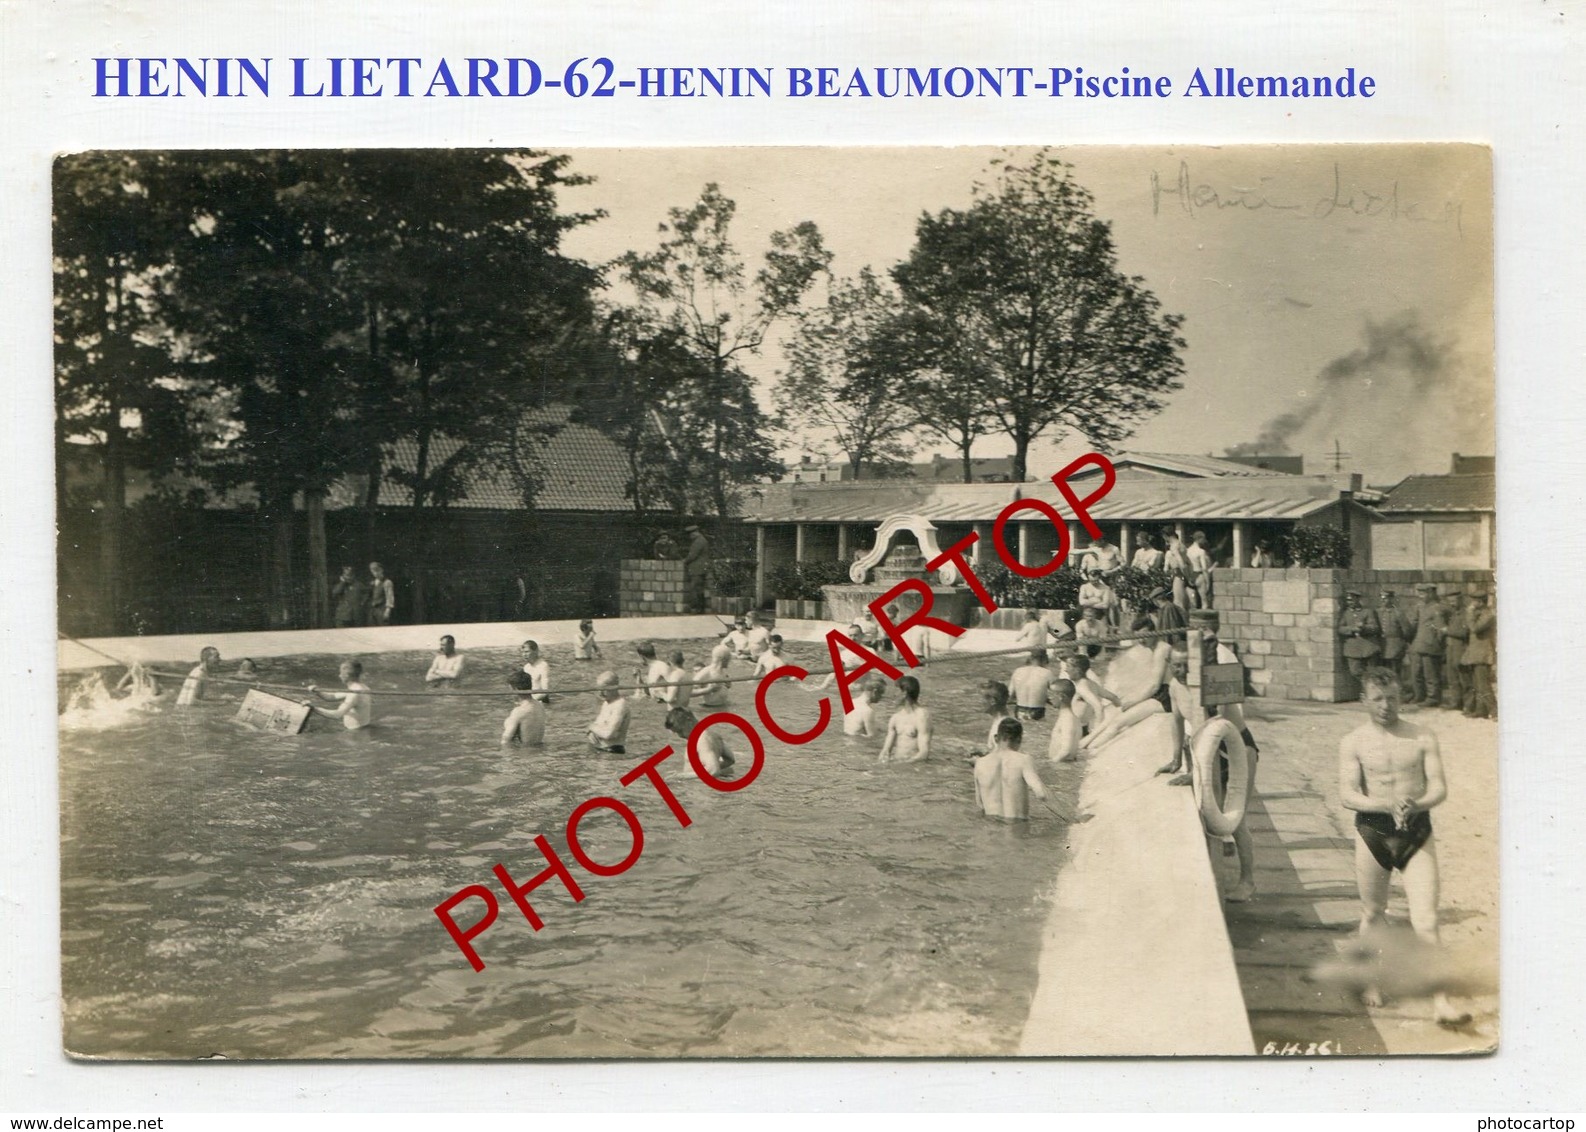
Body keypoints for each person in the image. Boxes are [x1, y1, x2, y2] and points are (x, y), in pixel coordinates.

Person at [1338, 667, 1470, 1026]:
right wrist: (1385, 804)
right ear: (1364, 699)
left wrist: (1417, 802)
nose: (1386, 706)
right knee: (1373, 912)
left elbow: (1439, 788)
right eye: (1378, 699)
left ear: (1402, 697)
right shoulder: (1353, 742)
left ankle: (1442, 1001)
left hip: (1415, 831)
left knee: (1426, 919)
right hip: (1373, 833)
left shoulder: (1422, 736)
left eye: (1393, 698)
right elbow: (1347, 794)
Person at [1079, 614, 1175, 751]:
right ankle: (1085, 742)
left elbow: (1155, 686)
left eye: (1145, 635)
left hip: (1167, 697)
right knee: (1115, 711)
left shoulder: (1162, 649)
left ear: (1155, 632)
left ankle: (1093, 748)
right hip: (1160, 692)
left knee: (1119, 721)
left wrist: (1134, 701)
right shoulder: (1153, 649)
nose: (1141, 640)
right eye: (1138, 637)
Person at [973, 718, 1054, 822]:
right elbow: (1041, 794)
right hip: (1016, 826)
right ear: (1019, 739)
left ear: (996, 738)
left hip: (991, 825)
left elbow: (980, 804)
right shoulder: (1024, 760)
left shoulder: (980, 763)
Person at [665, 706, 735, 778]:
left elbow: (713, 770)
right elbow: (730, 760)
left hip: (701, 786)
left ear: (689, 721)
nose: (680, 735)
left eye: (680, 731)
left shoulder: (702, 740)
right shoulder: (711, 735)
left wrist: (681, 776)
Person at [1408, 584, 1447, 707]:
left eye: (1423, 593)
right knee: (1416, 673)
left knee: (1430, 674)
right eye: (1419, 593)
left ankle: (1433, 698)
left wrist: (1438, 644)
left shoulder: (1437, 608)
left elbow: (1441, 629)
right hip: (1417, 645)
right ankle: (1419, 695)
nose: (1420, 596)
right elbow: (1413, 625)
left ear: (1431, 593)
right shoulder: (1419, 607)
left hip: (1430, 645)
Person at [1062, 653, 1120, 735]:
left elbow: (1098, 707)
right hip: (1083, 727)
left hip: (1075, 730)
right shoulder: (1091, 684)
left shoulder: (1081, 687)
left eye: (1068, 666)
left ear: (1077, 669)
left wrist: (1097, 729)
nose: (1066, 670)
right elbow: (1114, 698)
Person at [878, 675, 932, 763]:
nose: (892, 695)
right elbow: (885, 752)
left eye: (896, 691)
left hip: (915, 769)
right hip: (898, 766)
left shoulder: (922, 716)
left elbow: (923, 753)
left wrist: (900, 764)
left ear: (904, 693)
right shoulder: (895, 718)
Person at [1337, 590, 1382, 695]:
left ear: (1358, 599)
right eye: (1348, 600)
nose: (1350, 602)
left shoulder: (1367, 612)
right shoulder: (1346, 613)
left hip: (1368, 647)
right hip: (1353, 648)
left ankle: (1371, 693)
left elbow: (1375, 628)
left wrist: (1363, 628)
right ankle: (1368, 688)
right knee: (1355, 671)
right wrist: (1352, 629)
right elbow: (1340, 629)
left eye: (1352, 600)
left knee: (1372, 672)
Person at [1460, 591, 1496, 719]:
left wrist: (1469, 612)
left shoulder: (1488, 614)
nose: (1471, 604)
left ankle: (1495, 711)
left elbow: (1475, 628)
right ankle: (1481, 710)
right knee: (1478, 685)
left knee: (1483, 685)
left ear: (1480, 602)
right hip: (1476, 654)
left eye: (1474, 601)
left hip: (1483, 655)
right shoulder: (1480, 613)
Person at [309, 660, 373, 730]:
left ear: (346, 675)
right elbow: (331, 697)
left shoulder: (354, 693)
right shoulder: (363, 688)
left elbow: (337, 715)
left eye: (340, 673)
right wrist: (317, 691)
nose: (339, 676)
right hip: (362, 730)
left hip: (355, 734)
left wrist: (312, 708)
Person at [587, 670, 631, 754]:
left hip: (612, 752)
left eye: (604, 689)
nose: (600, 693)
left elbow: (608, 734)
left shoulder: (620, 705)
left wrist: (591, 727)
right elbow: (598, 725)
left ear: (615, 687)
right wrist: (590, 731)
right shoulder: (606, 703)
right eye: (599, 689)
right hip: (600, 750)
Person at [1009, 648, 1057, 721]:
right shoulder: (1047, 673)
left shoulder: (1018, 671)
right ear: (1045, 660)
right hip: (1037, 711)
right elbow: (1055, 697)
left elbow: (1009, 695)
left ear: (1030, 658)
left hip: (1019, 710)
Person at [501, 669, 546, 746]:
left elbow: (505, 741)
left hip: (523, 755)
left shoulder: (519, 712)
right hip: (539, 750)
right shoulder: (540, 706)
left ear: (516, 689)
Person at [1441, 591, 1469, 711]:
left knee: (1464, 678)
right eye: (1450, 601)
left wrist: (1447, 630)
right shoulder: (1453, 614)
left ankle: (1467, 704)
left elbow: (1464, 633)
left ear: (1461, 600)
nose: (1452, 604)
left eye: (1454, 601)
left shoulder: (1465, 614)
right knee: (1452, 677)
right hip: (1451, 649)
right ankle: (1455, 702)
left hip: (1460, 649)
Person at [1046, 679, 1083, 763]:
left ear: (1061, 697)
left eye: (1051, 694)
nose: (1049, 698)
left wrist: (1050, 764)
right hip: (1066, 763)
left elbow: (1066, 751)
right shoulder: (1070, 717)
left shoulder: (1067, 719)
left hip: (1063, 764)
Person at [1379, 591, 1411, 678]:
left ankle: (1398, 689)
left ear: (1391, 599)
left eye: (1385, 598)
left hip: (1395, 646)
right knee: (1384, 671)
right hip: (1383, 646)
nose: (1383, 600)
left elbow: (1407, 631)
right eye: (1381, 598)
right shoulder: (1379, 612)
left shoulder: (1398, 613)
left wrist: (1402, 644)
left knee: (1395, 670)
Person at [693, 644, 733, 708]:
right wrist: (708, 690)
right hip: (710, 709)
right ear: (723, 659)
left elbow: (725, 687)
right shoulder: (706, 672)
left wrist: (728, 685)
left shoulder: (723, 672)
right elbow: (688, 691)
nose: (729, 661)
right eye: (728, 659)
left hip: (723, 706)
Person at [683, 523, 711, 614]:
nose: (690, 537)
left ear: (695, 533)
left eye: (691, 534)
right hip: (700, 569)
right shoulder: (701, 540)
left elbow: (692, 555)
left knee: (695, 589)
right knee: (698, 589)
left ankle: (698, 609)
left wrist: (685, 561)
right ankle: (700, 608)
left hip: (697, 570)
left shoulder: (698, 541)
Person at [1185, 530, 1214, 610]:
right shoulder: (1201, 552)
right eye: (1203, 539)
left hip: (1190, 577)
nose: (1204, 541)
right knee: (1204, 601)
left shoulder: (1187, 551)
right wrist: (1208, 582)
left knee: (1192, 602)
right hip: (1199, 575)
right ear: (1200, 539)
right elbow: (1204, 568)